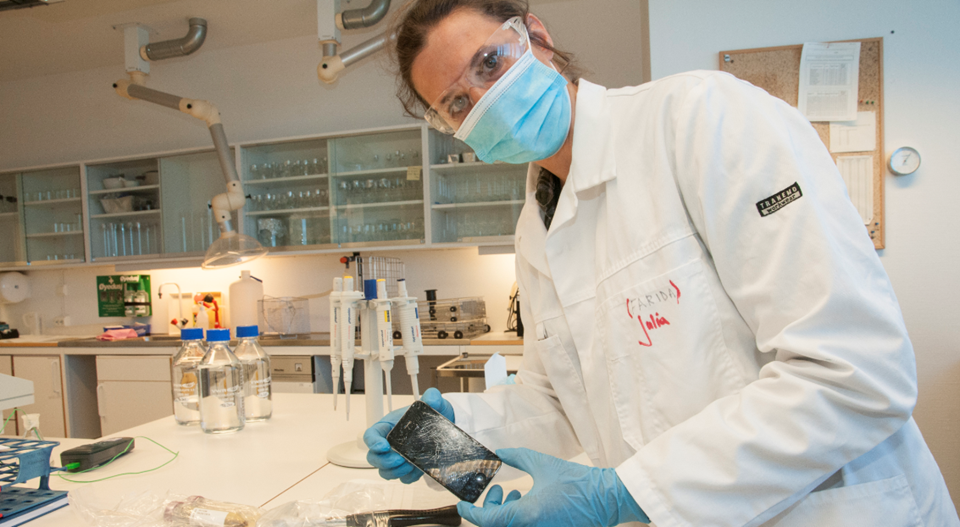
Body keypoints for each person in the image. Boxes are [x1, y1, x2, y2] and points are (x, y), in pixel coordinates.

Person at [363, 1, 960, 525]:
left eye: (489, 64)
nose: (485, 99)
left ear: (536, 35)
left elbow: (854, 371)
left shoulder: (702, 119)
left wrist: (620, 494)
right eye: (459, 103)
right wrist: (441, 436)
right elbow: (558, 402)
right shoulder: (536, 225)